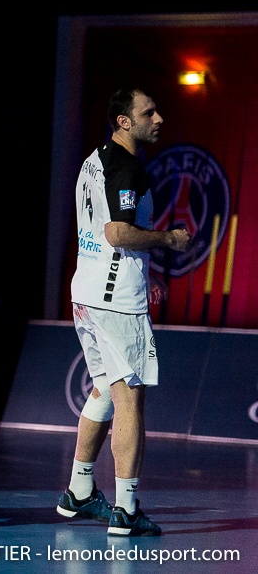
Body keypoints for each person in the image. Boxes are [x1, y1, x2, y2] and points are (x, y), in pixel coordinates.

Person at [58, 88, 191, 536]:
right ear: (123, 122)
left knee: (101, 389)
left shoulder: (93, 160)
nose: (158, 117)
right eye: (147, 112)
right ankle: (127, 508)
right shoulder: (127, 166)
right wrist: (167, 240)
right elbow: (118, 232)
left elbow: (102, 230)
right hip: (116, 300)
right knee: (130, 399)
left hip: (87, 291)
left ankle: (78, 491)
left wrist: (146, 269)